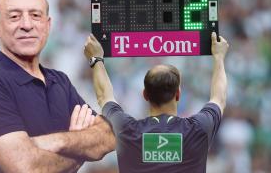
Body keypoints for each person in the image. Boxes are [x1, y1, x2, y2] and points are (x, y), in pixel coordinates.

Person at [0, 0, 115, 173]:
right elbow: (25, 167)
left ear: (47, 24)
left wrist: (56, 141)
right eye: (15, 16)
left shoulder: (61, 82)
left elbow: (108, 136)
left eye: (35, 15)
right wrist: (79, 149)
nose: (26, 25)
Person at [83, 32, 229, 173]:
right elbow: (219, 98)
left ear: (145, 95)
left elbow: (104, 96)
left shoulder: (127, 130)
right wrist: (219, 57)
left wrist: (96, 58)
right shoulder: (198, 129)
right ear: (178, 94)